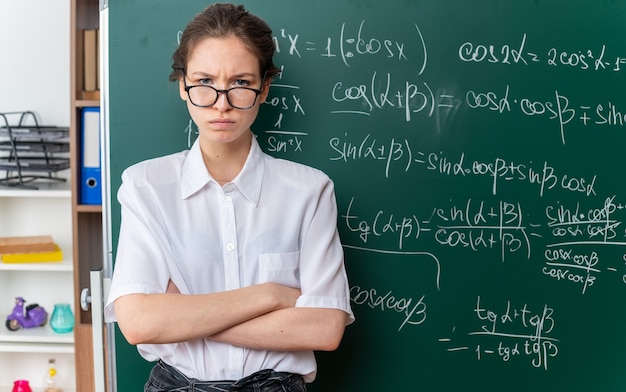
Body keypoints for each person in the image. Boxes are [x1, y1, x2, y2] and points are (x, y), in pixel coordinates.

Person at [103, 3, 354, 391]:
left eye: (240, 83)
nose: (222, 103)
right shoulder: (145, 186)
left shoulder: (309, 190)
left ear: (264, 88)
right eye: (204, 81)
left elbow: (324, 328)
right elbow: (139, 323)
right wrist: (270, 295)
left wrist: (185, 316)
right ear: (183, 86)